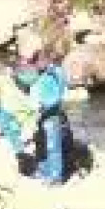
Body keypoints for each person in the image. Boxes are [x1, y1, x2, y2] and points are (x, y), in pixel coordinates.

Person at [29, 50, 70, 184]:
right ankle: (44, 171)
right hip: (41, 115)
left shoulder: (55, 72)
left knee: (53, 146)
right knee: (41, 143)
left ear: (45, 60)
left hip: (52, 115)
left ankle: (55, 177)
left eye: (37, 62)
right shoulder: (40, 74)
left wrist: (45, 107)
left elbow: (59, 94)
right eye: (34, 63)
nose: (35, 66)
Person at [0, 57, 39, 153]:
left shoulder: (5, 80)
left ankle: (18, 147)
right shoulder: (5, 81)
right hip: (16, 114)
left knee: (11, 126)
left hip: (17, 114)